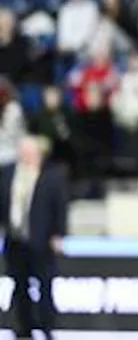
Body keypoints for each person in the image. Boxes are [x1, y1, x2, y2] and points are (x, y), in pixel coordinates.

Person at [0, 136, 68, 340]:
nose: (26, 157)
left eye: (30, 153)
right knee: (20, 286)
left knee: (45, 287)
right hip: (15, 240)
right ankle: (24, 327)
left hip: (42, 241)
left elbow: (60, 207)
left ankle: (47, 328)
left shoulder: (51, 176)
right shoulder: (8, 173)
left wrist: (58, 234)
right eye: (23, 152)